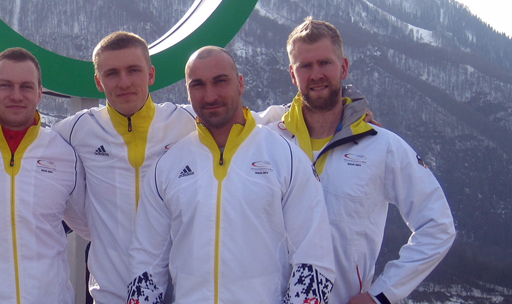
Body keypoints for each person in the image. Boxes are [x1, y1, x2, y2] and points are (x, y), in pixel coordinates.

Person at [0, 32, 202, 304]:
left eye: (133, 70)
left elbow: (248, 126)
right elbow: (26, 131)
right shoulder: (75, 131)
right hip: (111, 295)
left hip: (182, 293)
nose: (124, 82)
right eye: (111, 73)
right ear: (98, 81)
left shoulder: (190, 121)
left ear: (151, 74)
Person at [127, 46, 335, 304]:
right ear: (188, 93)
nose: (210, 95)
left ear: (240, 83)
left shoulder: (287, 158)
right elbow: (146, 265)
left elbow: (314, 261)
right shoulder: (168, 166)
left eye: (220, 81)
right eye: (198, 85)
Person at [268, 18, 455, 304]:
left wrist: (383, 294)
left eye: (324, 63)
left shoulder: (382, 146)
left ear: (343, 67)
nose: (316, 74)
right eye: (305, 66)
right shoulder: (267, 144)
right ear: (293, 75)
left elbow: (438, 225)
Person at [0, 48, 85, 304]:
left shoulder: (64, 153)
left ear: (39, 93)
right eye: (5, 85)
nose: (15, 95)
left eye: (26, 86)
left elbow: (84, 222)